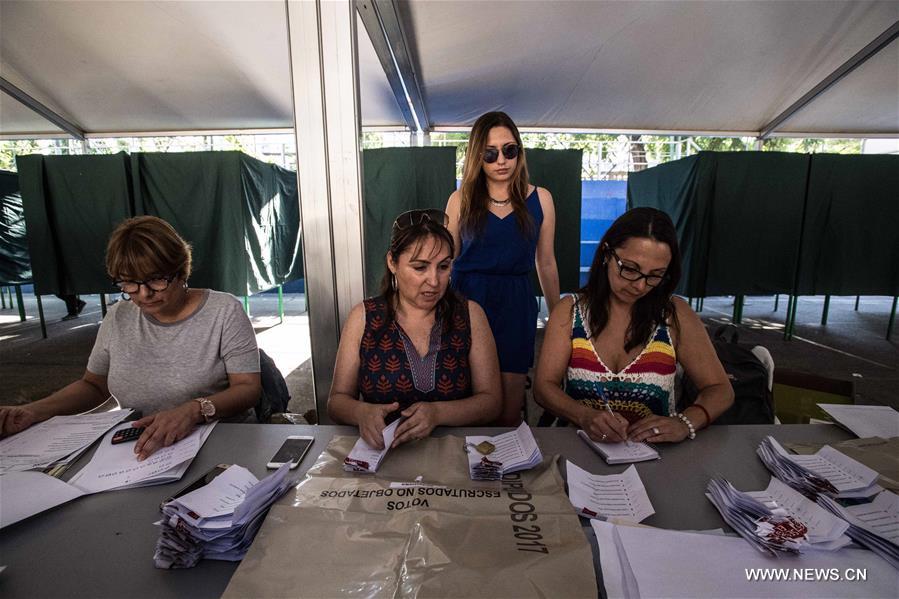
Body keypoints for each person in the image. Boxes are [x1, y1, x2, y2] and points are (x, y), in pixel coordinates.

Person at [0, 216, 262, 459]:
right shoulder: (119, 316)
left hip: (218, 443)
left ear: (181, 270)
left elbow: (248, 388)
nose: (144, 294)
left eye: (156, 280)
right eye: (129, 284)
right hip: (141, 449)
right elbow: (94, 385)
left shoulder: (223, 311)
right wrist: (34, 411)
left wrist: (195, 410)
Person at [534, 208, 733, 443]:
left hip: (656, 454)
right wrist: (584, 415)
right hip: (580, 446)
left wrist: (684, 422)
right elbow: (543, 387)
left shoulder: (675, 315)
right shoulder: (570, 310)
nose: (640, 286)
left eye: (655, 275)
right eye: (630, 269)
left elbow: (720, 389)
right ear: (607, 254)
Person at [328, 209, 501, 449]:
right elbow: (337, 401)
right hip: (382, 454)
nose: (434, 281)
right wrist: (361, 412)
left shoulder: (470, 315)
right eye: (420, 268)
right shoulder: (364, 318)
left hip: (453, 455)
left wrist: (439, 413)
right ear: (392, 262)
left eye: (443, 267)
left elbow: (491, 402)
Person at [446, 111, 560, 426]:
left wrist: (559, 321)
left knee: (509, 412)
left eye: (510, 150)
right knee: (468, 404)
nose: (501, 160)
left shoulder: (542, 199)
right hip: (467, 303)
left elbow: (546, 262)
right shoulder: (460, 200)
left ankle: (504, 471)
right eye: (490, 153)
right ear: (476, 156)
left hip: (516, 304)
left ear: (519, 152)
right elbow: (447, 261)